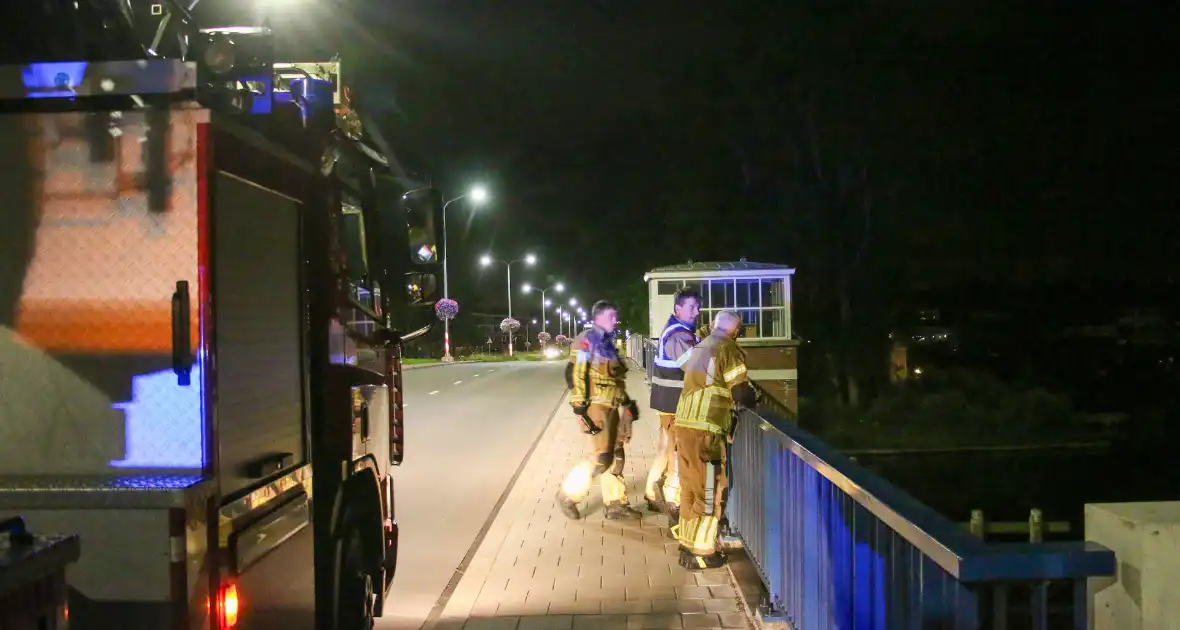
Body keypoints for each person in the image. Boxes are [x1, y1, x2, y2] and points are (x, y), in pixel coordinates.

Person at [672, 310, 758, 569]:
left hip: (685, 424)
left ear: (713, 326)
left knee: (690, 487)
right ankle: (702, 552)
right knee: (709, 490)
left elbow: (685, 369)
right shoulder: (728, 349)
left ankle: (688, 543)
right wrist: (754, 400)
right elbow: (741, 392)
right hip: (706, 429)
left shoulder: (701, 346)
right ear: (737, 331)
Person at [556, 300, 644, 520]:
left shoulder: (608, 343)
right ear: (597, 318)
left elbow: (614, 379)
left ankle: (615, 504)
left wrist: (627, 403)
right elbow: (578, 373)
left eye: (616, 316)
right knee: (601, 458)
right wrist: (579, 406)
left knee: (617, 455)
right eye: (610, 316)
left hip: (612, 405)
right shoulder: (587, 341)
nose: (615, 320)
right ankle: (568, 495)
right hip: (596, 406)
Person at [644, 287, 702, 522]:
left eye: (698, 307)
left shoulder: (678, 329)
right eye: (692, 307)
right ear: (678, 309)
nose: (697, 312)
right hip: (676, 405)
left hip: (667, 403)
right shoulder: (679, 336)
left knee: (664, 451)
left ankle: (651, 493)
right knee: (678, 457)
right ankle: (674, 504)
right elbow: (695, 368)